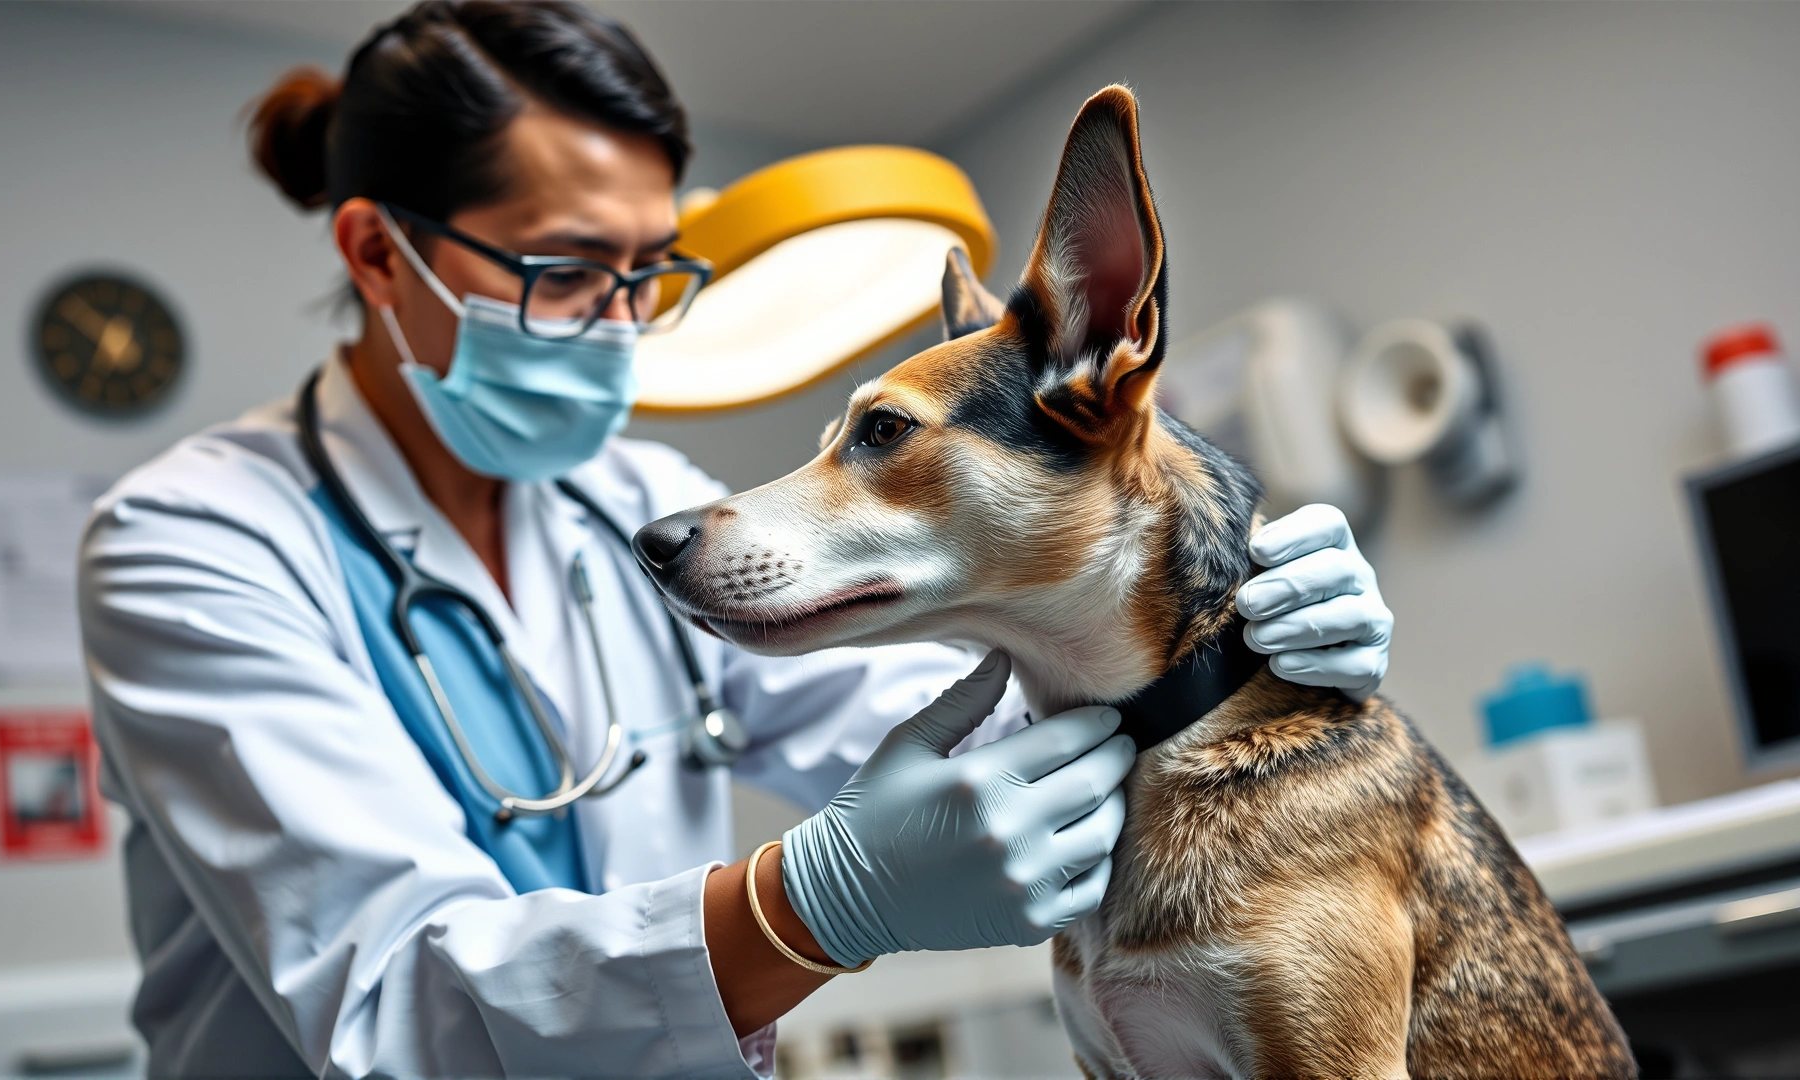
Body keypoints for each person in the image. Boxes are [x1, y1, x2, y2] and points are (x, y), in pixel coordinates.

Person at [78, 2, 1395, 1076]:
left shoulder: (628, 495)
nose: (618, 323)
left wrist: (1223, 647)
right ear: (376, 255)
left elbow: (968, 731)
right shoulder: (192, 545)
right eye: (566, 271)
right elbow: (391, 1005)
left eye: (647, 272)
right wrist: (809, 904)